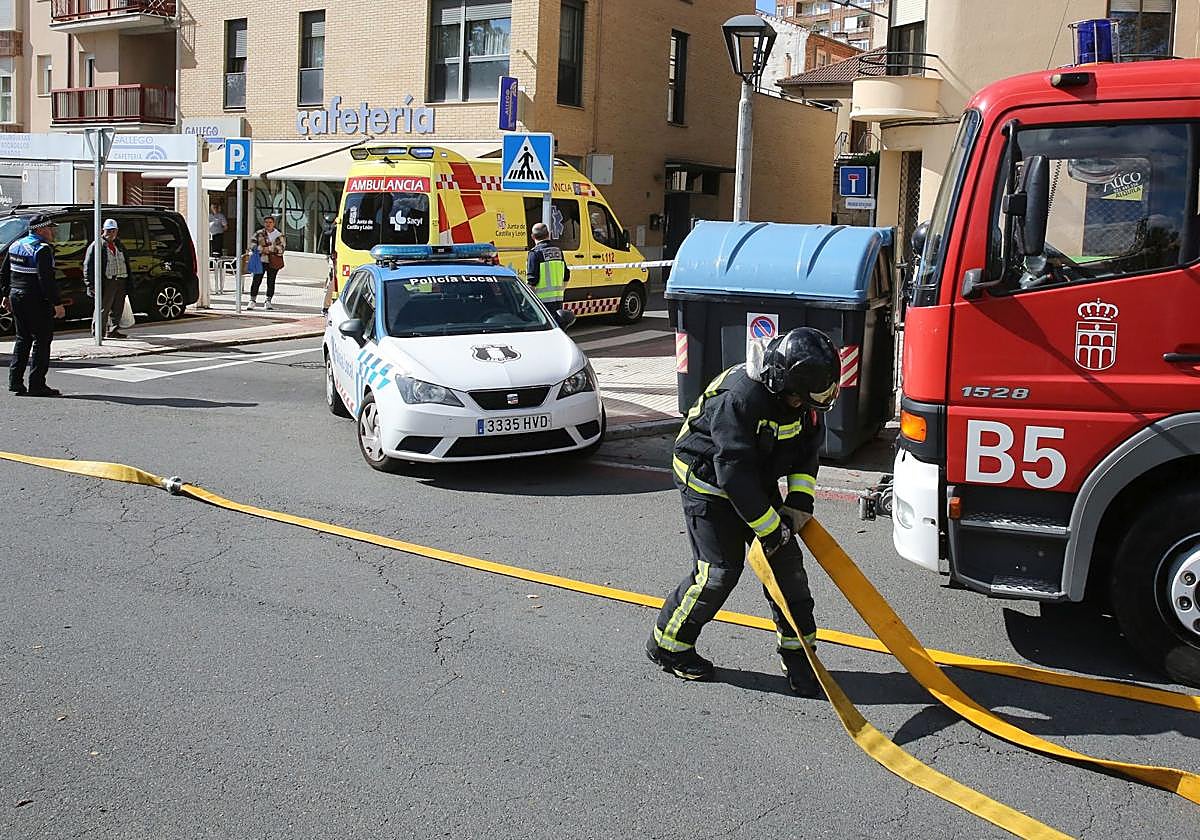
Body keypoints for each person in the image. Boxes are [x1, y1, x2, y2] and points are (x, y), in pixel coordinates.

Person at [646, 327, 842, 698]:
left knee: (788, 574)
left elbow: (806, 451)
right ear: (785, 385)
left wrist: (799, 502)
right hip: (708, 482)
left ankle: (800, 659)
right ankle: (669, 645)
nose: (808, 406)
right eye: (804, 399)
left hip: (753, 476)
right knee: (718, 573)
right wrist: (770, 528)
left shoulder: (802, 399)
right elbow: (732, 473)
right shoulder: (740, 397)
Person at [1, 216, 64, 397]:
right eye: (50, 229)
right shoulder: (42, 249)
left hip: (17, 296)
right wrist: (57, 303)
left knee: (22, 339)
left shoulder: (16, 245)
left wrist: (6, 295)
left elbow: (4, 272)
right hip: (35, 299)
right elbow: (46, 280)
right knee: (42, 341)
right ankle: (37, 384)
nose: (53, 232)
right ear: (40, 230)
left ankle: (15, 381)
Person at [84, 218, 131, 339]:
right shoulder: (97, 245)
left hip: (120, 279)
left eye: (113, 231)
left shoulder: (119, 244)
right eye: (108, 231)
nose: (111, 233)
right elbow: (88, 265)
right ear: (102, 231)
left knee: (117, 307)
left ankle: (113, 330)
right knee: (102, 308)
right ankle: (98, 333)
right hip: (107, 281)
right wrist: (90, 284)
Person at [526, 222, 570, 311]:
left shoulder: (535, 253)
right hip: (558, 300)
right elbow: (566, 275)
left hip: (541, 302)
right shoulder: (558, 251)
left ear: (532, 237)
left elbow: (532, 280)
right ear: (548, 234)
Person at [248, 215, 285, 310]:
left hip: (273, 261)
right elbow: (253, 245)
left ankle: (268, 301)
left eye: (270, 222)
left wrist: (266, 249)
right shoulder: (259, 233)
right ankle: (252, 300)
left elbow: (281, 248)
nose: (268, 224)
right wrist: (263, 249)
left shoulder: (279, 235)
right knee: (256, 280)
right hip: (261, 261)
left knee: (271, 281)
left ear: (274, 224)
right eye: (266, 222)